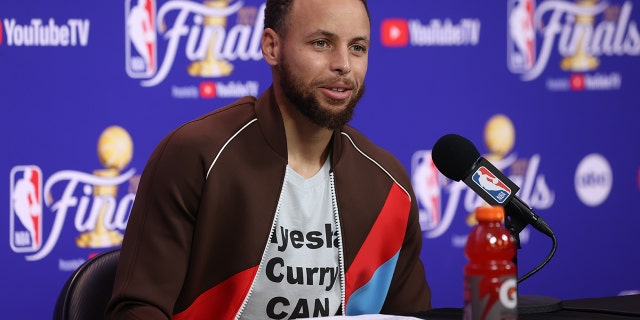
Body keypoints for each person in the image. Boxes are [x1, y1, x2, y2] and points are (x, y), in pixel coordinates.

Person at [106, 0, 431, 318]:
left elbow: (412, 316)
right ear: (271, 47)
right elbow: (136, 310)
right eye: (322, 43)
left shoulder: (389, 185)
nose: (343, 64)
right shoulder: (195, 155)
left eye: (358, 47)